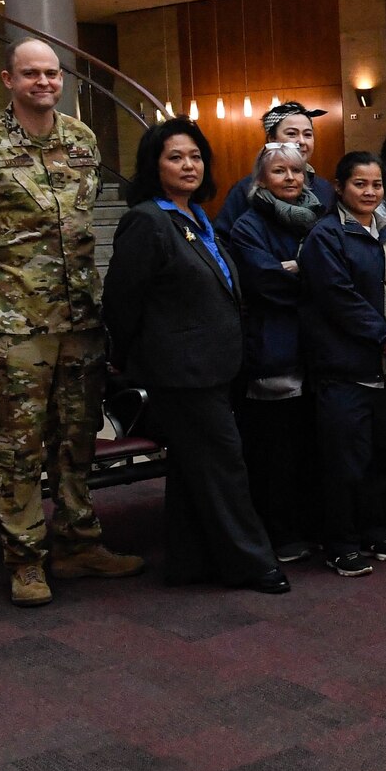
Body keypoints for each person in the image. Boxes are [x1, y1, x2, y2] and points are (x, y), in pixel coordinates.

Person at [0, 38, 138, 606]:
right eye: (31, 74)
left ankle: (78, 541)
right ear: (8, 79)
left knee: (77, 435)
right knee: (16, 446)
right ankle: (25, 559)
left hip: (79, 317)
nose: (44, 82)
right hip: (11, 323)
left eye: (52, 73)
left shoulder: (81, 139)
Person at [104, 120, 286, 595]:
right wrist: (122, 359)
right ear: (153, 165)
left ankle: (189, 561)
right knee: (226, 464)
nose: (189, 165)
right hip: (179, 372)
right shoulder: (147, 220)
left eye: (195, 157)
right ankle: (252, 563)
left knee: (192, 468)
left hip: (214, 366)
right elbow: (122, 300)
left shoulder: (197, 217)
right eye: (175, 157)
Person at [300, 151, 386, 577]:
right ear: (340, 187)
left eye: (375, 185)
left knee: (383, 458)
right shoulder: (325, 237)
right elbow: (338, 299)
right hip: (345, 370)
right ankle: (341, 542)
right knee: (344, 462)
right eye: (360, 184)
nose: (369, 191)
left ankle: (376, 530)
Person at [229, 143, 327, 565]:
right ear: (261, 180)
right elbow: (264, 282)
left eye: (297, 171)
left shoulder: (321, 219)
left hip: (318, 352)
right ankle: (278, 534)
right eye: (279, 172)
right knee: (275, 454)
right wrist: (306, 275)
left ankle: (309, 527)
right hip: (272, 353)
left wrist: (297, 268)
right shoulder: (248, 225)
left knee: (311, 449)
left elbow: (339, 273)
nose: (290, 178)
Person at [214, 100, 336, 235]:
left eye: (307, 134)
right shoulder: (246, 188)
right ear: (272, 139)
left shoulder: (325, 188)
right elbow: (223, 237)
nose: (301, 141)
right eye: (292, 134)